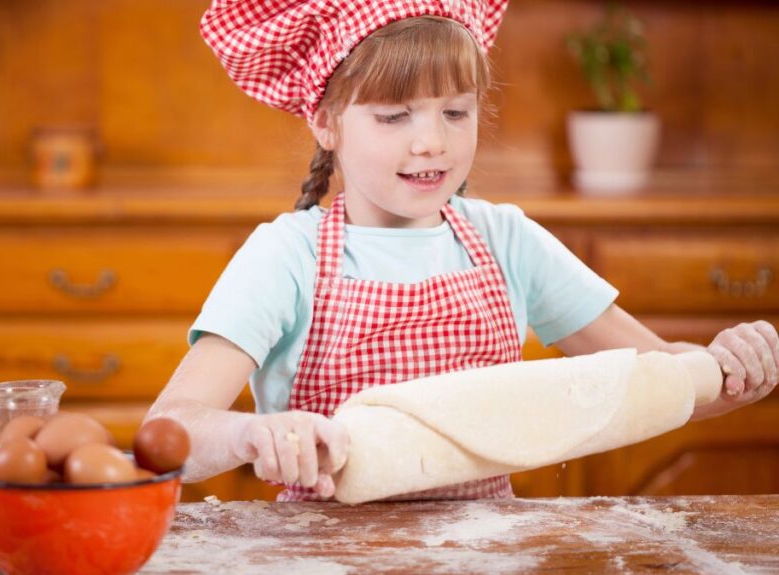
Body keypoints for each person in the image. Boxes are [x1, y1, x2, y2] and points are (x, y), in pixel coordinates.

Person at [145, 0, 779, 502]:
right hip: (326, 552)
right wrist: (251, 434)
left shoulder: (506, 239)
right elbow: (171, 431)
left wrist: (735, 367)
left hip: (488, 546)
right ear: (326, 120)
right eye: (395, 116)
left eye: (456, 112)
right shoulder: (287, 255)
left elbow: (662, 377)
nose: (432, 144)